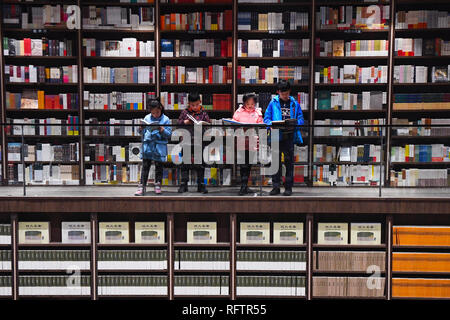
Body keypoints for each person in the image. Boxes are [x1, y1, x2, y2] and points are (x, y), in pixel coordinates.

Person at [263, 80, 304, 196]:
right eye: (282, 94)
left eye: (286, 93)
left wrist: (296, 124)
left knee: (289, 163)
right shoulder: (273, 103)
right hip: (276, 135)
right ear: (278, 92)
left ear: (289, 91)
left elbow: (301, 119)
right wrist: (270, 124)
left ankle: (288, 187)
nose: (285, 96)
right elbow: (266, 118)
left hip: (289, 136)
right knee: (275, 163)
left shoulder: (295, 104)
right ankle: (276, 187)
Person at [135, 99, 172, 196]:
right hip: (148, 145)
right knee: (145, 166)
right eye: (153, 113)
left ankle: (158, 185)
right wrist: (141, 129)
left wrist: (162, 129)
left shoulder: (166, 119)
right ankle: (142, 186)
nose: (155, 115)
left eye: (157, 112)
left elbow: (169, 134)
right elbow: (142, 133)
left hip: (159, 146)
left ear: (161, 109)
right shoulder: (147, 118)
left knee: (159, 167)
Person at [177, 92, 210, 194]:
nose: (195, 107)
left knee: (200, 164)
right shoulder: (185, 113)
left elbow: (208, 124)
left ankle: (201, 184)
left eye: (197, 105)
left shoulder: (204, 113)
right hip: (186, 141)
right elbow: (178, 125)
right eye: (192, 105)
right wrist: (185, 122)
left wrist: (203, 126)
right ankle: (184, 184)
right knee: (185, 164)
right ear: (188, 104)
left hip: (199, 142)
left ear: (200, 102)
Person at [232, 93, 263, 195]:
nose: (250, 106)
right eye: (248, 104)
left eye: (252, 104)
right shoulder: (239, 111)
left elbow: (260, 123)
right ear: (244, 103)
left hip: (252, 141)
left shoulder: (257, 112)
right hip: (241, 141)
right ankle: (243, 186)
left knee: (249, 164)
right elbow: (233, 122)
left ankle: (245, 185)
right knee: (243, 165)